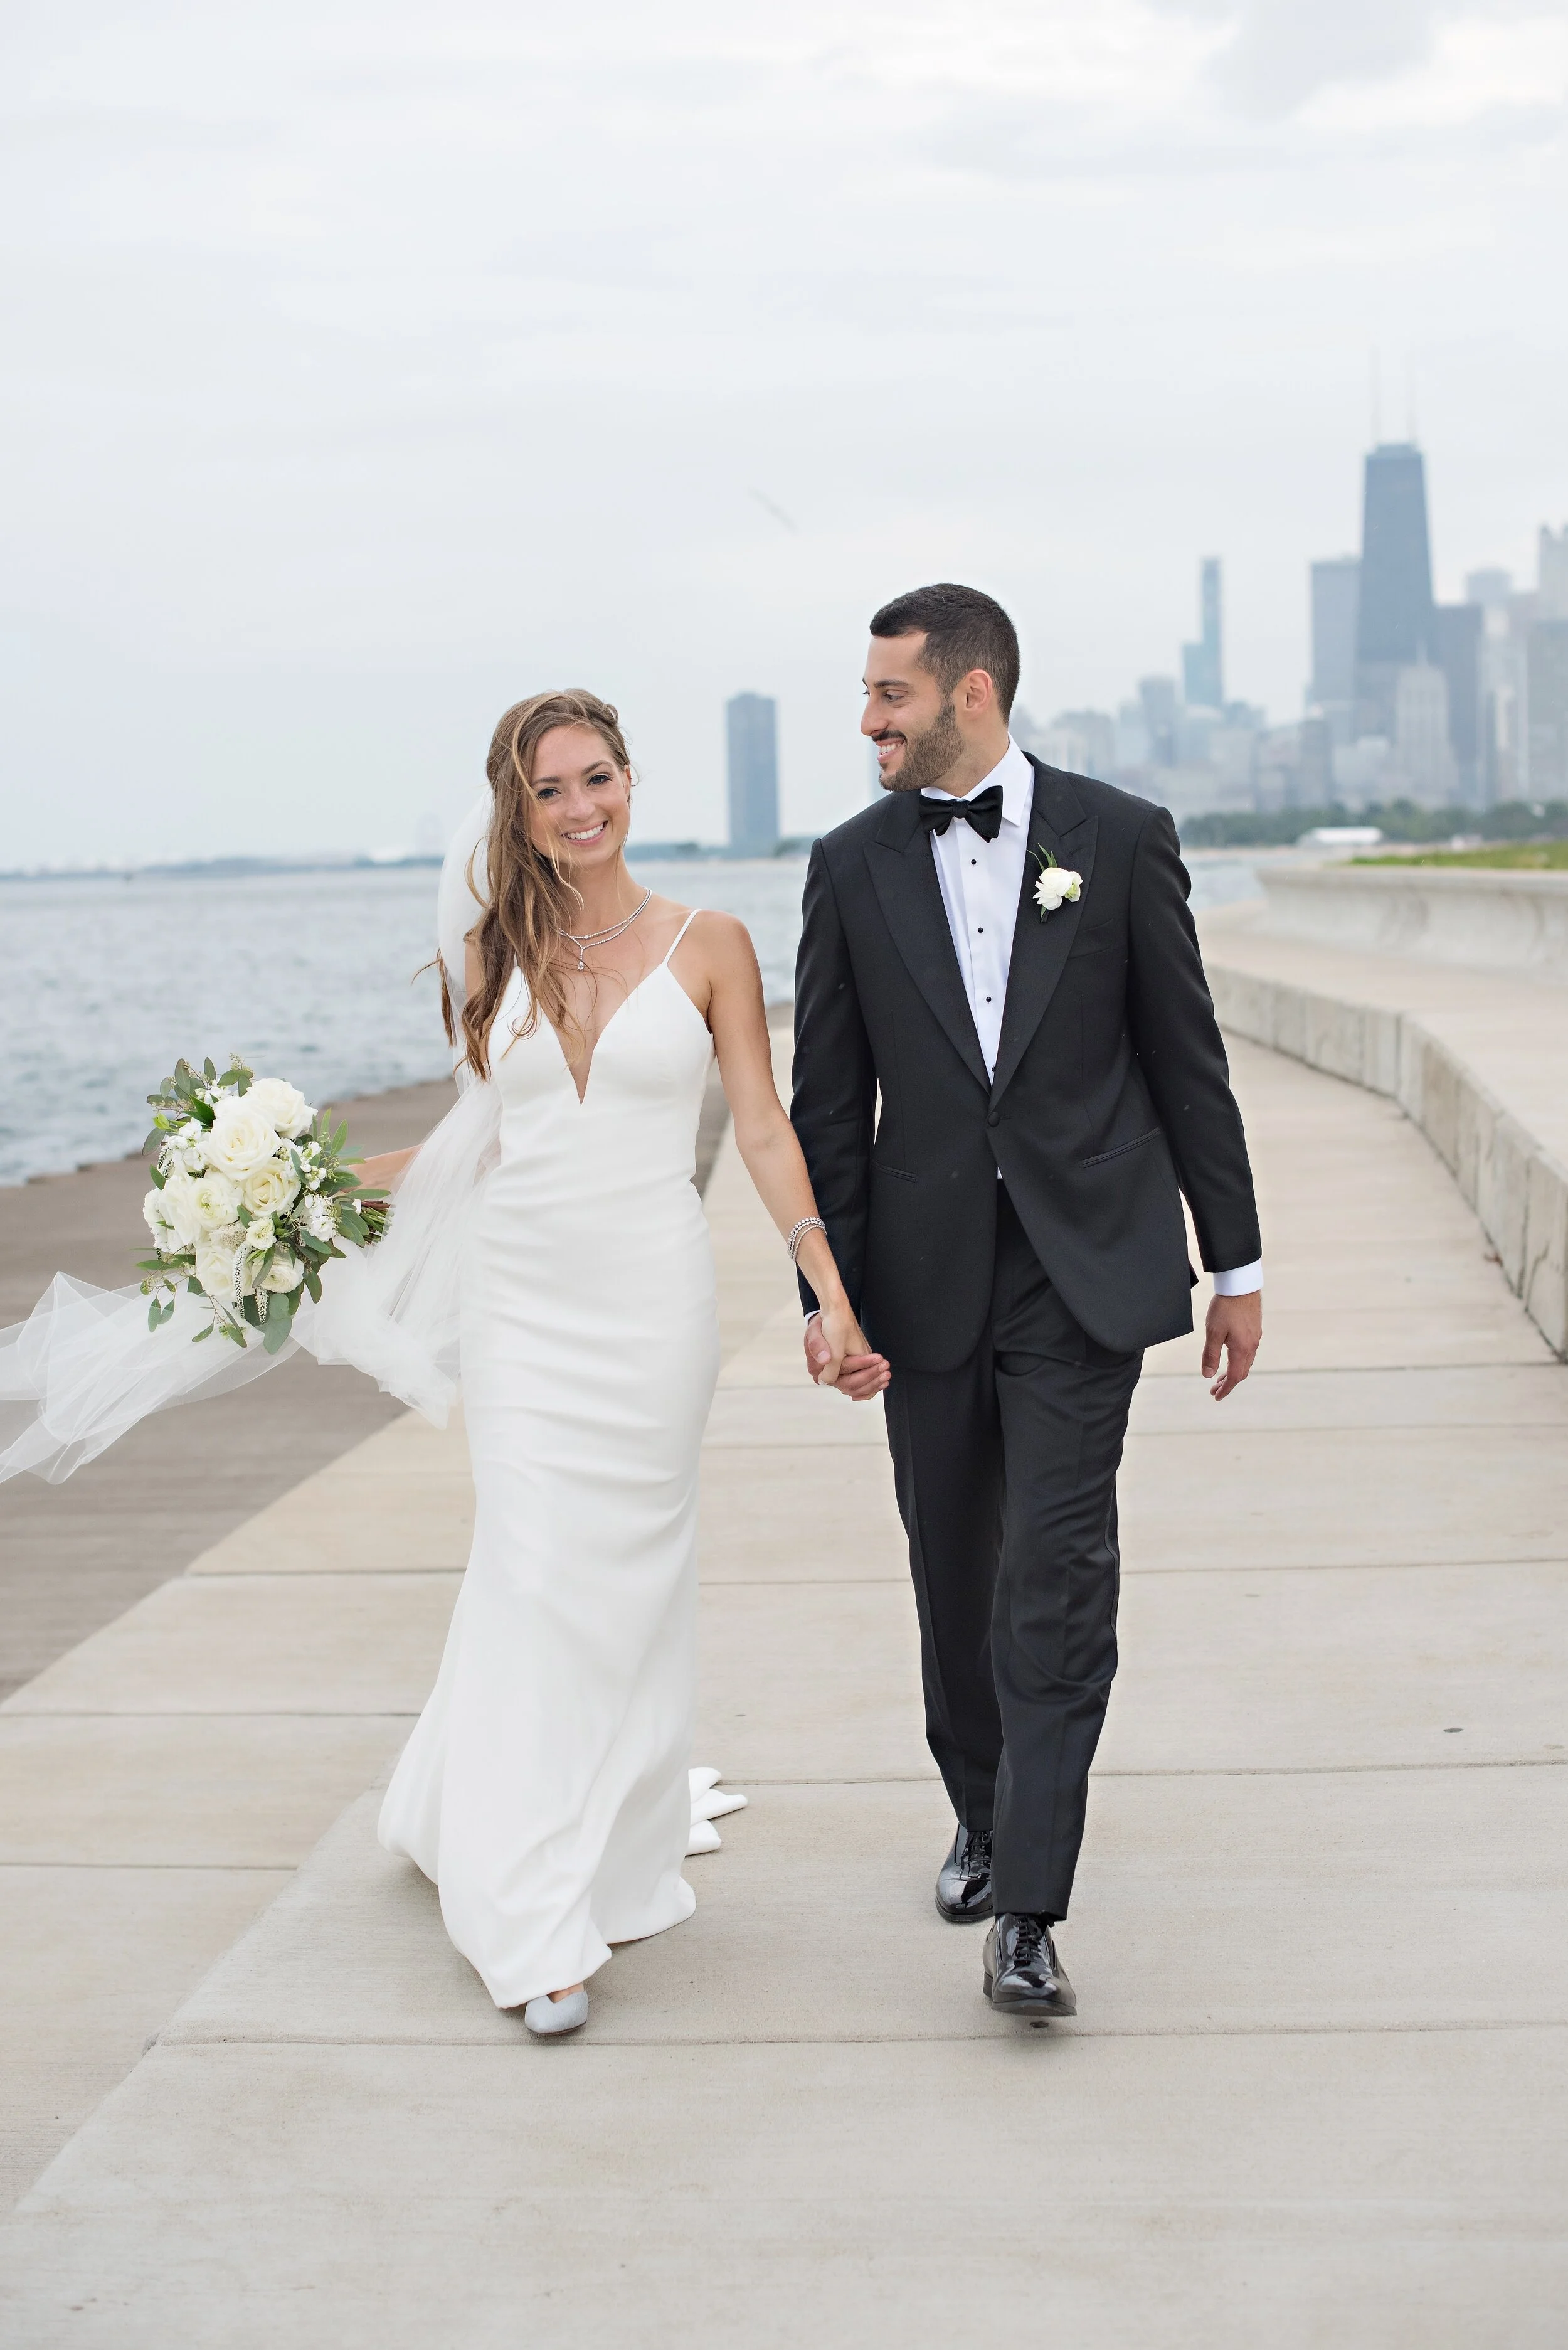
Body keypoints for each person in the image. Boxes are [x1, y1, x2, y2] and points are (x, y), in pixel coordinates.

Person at [360, 690, 887, 2038]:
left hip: (653, 1310)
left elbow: (763, 1133)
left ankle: (567, 1822)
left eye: (599, 778)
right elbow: (474, 1142)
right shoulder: (486, 953)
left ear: (631, 784)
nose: (581, 806)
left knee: (628, 1587)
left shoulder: (708, 942)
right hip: (522, 1305)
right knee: (534, 1570)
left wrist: (828, 1293)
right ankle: (529, 1918)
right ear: (517, 808)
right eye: (551, 789)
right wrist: (302, 1188)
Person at [790, 585, 1262, 2023]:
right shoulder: (850, 864)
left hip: (1084, 1271)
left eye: (889, 694)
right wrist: (824, 1300)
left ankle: (1031, 1910)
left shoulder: (1117, 838)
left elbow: (1186, 1060)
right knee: (954, 1573)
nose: (866, 718)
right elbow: (825, 1103)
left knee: (1055, 1577)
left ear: (971, 693)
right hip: (920, 1283)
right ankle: (981, 1811)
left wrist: (1231, 1261)